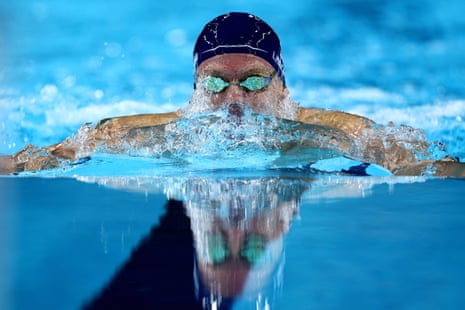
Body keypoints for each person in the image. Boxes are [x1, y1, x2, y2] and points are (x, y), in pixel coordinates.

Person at [0, 12, 463, 176]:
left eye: (255, 81)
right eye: (216, 83)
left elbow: (414, 163)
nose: (234, 99)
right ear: (196, 94)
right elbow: (38, 159)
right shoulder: (129, 135)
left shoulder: (342, 134)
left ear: (283, 89)